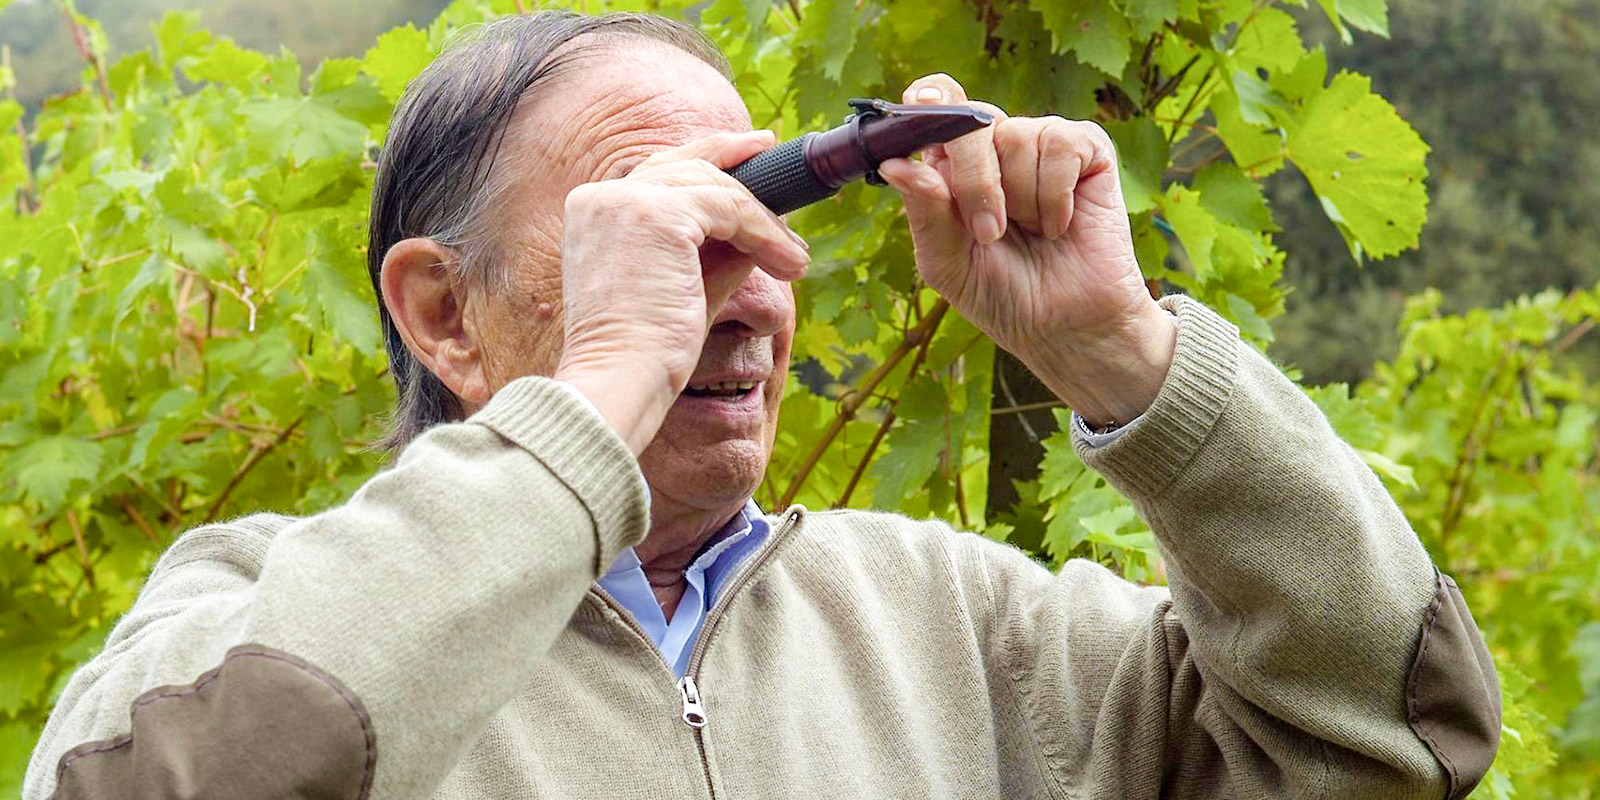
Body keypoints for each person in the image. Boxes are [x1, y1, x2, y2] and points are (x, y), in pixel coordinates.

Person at [25, 11, 1500, 800]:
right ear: (439, 314)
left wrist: (1122, 355)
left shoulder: (963, 629)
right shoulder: (244, 614)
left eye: (752, 220)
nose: (741, 285)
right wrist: (603, 388)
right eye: (657, 228)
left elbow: (1392, 738)